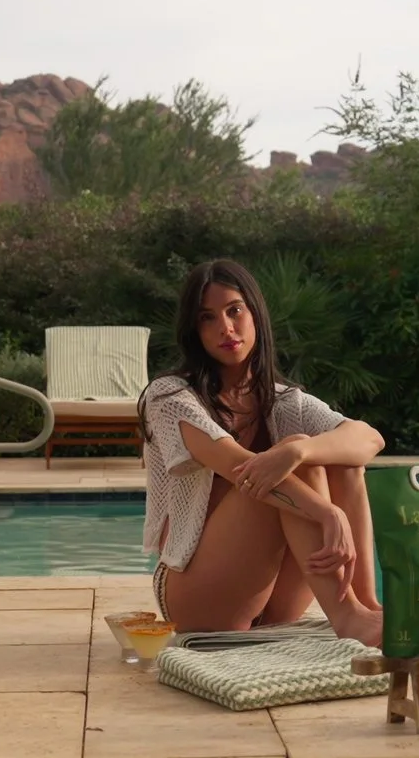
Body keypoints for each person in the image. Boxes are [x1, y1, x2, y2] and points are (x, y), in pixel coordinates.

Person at [140, 259, 386, 646]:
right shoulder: (171, 397)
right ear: (194, 330)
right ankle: (347, 616)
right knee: (287, 456)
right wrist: (326, 511)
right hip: (196, 595)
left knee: (326, 454)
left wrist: (303, 449)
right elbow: (240, 467)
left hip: (273, 602)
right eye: (208, 318)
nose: (225, 328)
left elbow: (369, 439)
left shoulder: (283, 402)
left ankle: (366, 604)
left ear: (255, 313)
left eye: (234, 310)